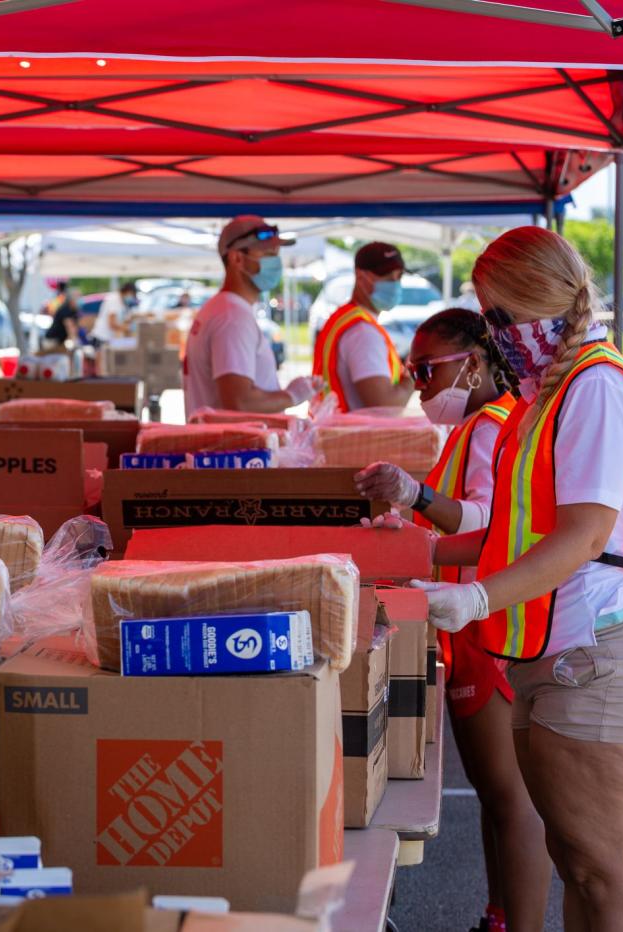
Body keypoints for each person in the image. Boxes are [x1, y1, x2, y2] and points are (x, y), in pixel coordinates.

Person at [420, 227, 623, 932]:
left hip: (608, 652)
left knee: (605, 871)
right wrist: (419, 563)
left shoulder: (595, 387)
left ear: (540, 303)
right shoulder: (548, 396)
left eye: (499, 318)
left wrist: (476, 596)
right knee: (580, 862)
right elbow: (518, 529)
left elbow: (585, 534)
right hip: (568, 651)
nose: (494, 335)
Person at [355, 309, 550, 932]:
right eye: (411, 370)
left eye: (426, 369)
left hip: (489, 624)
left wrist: (416, 508)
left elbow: (492, 528)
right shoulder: (475, 428)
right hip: (468, 622)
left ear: (472, 360)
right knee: (496, 796)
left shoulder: (494, 427)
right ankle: (499, 916)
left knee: (510, 796)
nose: (416, 384)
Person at [183, 216, 316, 415]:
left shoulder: (222, 309)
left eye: (276, 254)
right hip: (234, 445)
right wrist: (292, 396)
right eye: (268, 254)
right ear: (237, 258)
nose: (276, 263)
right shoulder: (232, 317)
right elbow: (239, 402)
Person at [312, 242, 414, 412]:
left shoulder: (344, 318)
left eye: (399, 277)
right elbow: (384, 406)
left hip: (336, 431)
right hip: (353, 435)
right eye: (387, 277)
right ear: (360, 277)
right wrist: (412, 377)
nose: (395, 284)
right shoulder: (363, 333)